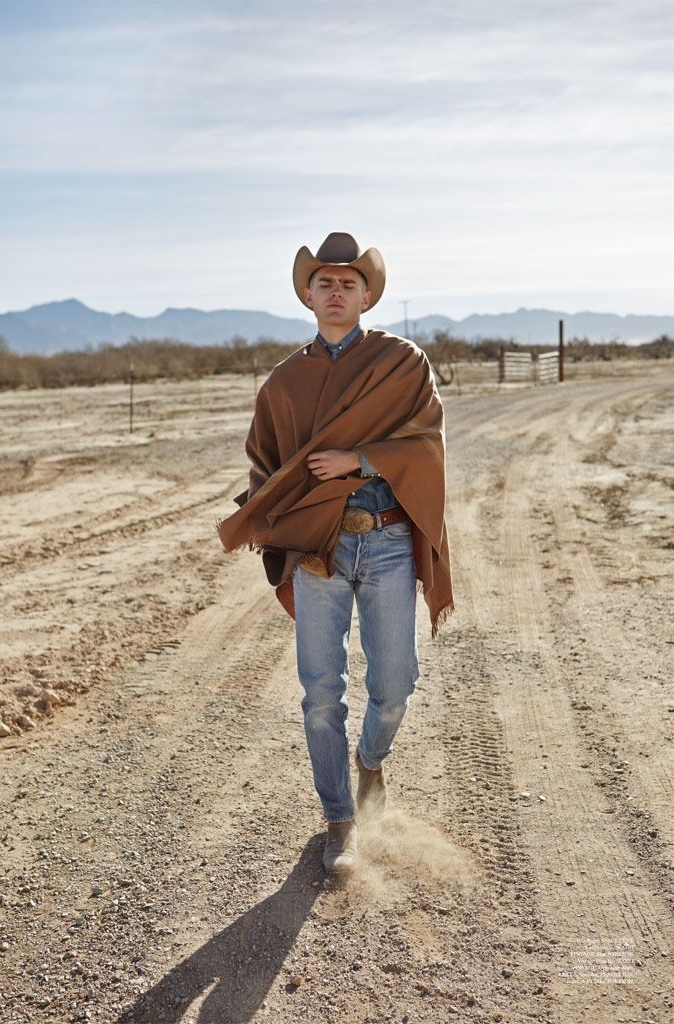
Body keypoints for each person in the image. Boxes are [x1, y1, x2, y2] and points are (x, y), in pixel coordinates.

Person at [216, 233, 453, 876]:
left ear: (367, 294)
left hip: (387, 540)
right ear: (308, 294)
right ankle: (339, 821)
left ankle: (371, 760)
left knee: (396, 683)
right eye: (325, 282)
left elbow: (427, 441)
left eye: (349, 282)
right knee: (321, 694)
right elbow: (266, 467)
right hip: (321, 549)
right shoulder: (285, 383)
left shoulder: (403, 363)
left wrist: (362, 459)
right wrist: (278, 524)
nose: (337, 292)